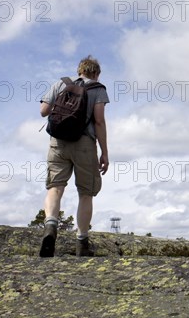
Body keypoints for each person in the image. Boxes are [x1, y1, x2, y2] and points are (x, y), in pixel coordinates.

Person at [38, 55, 110, 257]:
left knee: (55, 187)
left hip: (58, 142)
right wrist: (104, 152)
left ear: (79, 71)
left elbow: (43, 111)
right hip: (84, 144)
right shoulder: (98, 89)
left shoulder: (62, 83)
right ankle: (82, 243)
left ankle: (51, 226)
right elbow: (99, 121)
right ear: (96, 73)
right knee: (86, 193)